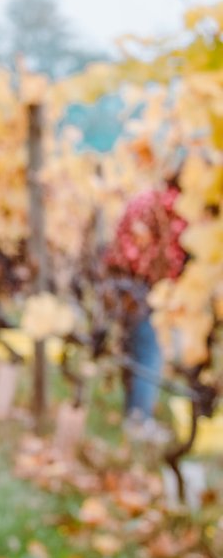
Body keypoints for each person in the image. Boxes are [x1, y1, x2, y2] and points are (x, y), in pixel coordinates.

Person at [102, 172, 187, 420]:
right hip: (146, 286)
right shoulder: (177, 206)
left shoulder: (146, 197)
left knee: (133, 349)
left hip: (119, 280)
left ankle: (132, 412)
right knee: (149, 352)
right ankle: (139, 419)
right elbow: (174, 256)